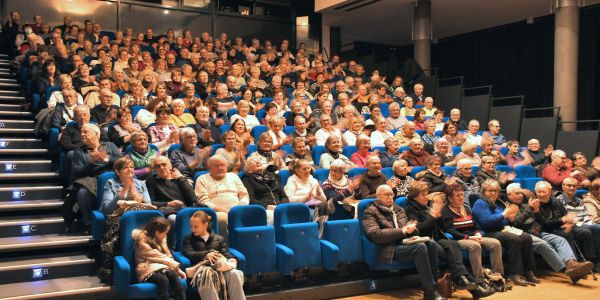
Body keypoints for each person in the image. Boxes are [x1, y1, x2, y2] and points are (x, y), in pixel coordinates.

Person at [361, 185, 444, 300]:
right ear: (378, 196)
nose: (390, 197)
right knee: (420, 247)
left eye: (392, 195)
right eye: (387, 195)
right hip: (388, 248)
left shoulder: (398, 209)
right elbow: (376, 235)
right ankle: (430, 291)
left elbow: (406, 230)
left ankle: (433, 286)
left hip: (405, 243)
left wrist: (413, 230)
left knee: (431, 244)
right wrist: (402, 231)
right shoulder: (370, 212)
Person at [404, 181, 484, 295]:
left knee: (452, 245)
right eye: (423, 194)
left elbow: (442, 227)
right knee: (452, 252)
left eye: (427, 193)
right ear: (414, 196)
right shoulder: (410, 210)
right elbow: (420, 229)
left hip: (437, 239)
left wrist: (439, 215)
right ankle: (469, 285)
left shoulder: (427, 206)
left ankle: (465, 281)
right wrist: (433, 216)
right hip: (425, 241)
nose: (426, 196)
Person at [507, 182, 594, 283]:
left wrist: (536, 211)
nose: (520, 195)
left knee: (561, 240)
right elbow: (516, 223)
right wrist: (530, 209)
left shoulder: (525, 204)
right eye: (517, 193)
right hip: (524, 233)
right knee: (543, 244)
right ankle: (567, 270)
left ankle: (572, 263)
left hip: (538, 231)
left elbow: (540, 221)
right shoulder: (509, 206)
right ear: (509, 195)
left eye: (521, 193)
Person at [471, 179, 537, 286]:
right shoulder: (480, 203)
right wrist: (504, 215)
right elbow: (487, 222)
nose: (493, 193)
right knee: (513, 238)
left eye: (495, 191)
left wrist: (509, 218)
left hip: (500, 229)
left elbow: (504, 220)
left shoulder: (496, 203)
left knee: (526, 237)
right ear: (484, 192)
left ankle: (528, 270)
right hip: (487, 232)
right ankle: (514, 273)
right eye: (490, 191)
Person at [99, 157, 155, 281]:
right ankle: (111, 263)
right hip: (118, 216)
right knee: (116, 224)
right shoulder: (110, 183)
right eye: (126, 167)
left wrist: (132, 186)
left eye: (132, 167)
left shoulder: (141, 183)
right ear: (118, 171)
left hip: (138, 217)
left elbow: (148, 205)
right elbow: (107, 209)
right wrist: (124, 188)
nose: (130, 169)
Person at [443, 183, 504, 288]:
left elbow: (475, 225)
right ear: (449, 198)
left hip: (473, 236)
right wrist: (470, 237)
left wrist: (478, 233)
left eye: (462, 194)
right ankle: (479, 280)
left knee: (495, 243)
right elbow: (451, 231)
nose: (461, 197)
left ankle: (497, 277)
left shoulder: (466, 208)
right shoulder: (446, 211)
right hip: (459, 238)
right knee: (474, 246)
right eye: (458, 195)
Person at [183, 211, 245, 300]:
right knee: (207, 277)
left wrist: (232, 259)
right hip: (203, 269)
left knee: (234, 273)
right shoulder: (188, 239)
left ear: (205, 225)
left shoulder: (219, 239)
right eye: (191, 226)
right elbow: (188, 253)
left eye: (196, 226)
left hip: (219, 267)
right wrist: (205, 254)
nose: (193, 229)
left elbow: (225, 252)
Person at [195, 156, 249, 239]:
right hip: (216, 212)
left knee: (257, 213)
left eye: (222, 165)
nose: (220, 168)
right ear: (210, 167)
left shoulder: (233, 176)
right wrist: (221, 209)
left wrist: (242, 205)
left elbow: (244, 194)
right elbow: (202, 200)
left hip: (238, 209)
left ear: (227, 166)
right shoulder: (202, 179)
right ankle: (225, 247)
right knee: (221, 218)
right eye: (216, 166)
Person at [132, 217, 186, 300]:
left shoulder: (162, 239)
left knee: (173, 275)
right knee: (162, 280)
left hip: (162, 266)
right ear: (157, 232)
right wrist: (177, 269)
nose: (166, 235)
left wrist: (175, 270)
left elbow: (167, 255)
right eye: (165, 233)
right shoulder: (142, 241)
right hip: (146, 267)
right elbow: (158, 256)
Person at [242, 155, 289, 223]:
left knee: (297, 213)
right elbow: (251, 200)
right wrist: (267, 206)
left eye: (259, 160)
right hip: (263, 209)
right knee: (275, 216)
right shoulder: (247, 178)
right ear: (247, 167)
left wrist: (281, 206)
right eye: (253, 161)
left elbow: (284, 196)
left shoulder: (273, 176)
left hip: (280, 207)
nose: (258, 162)